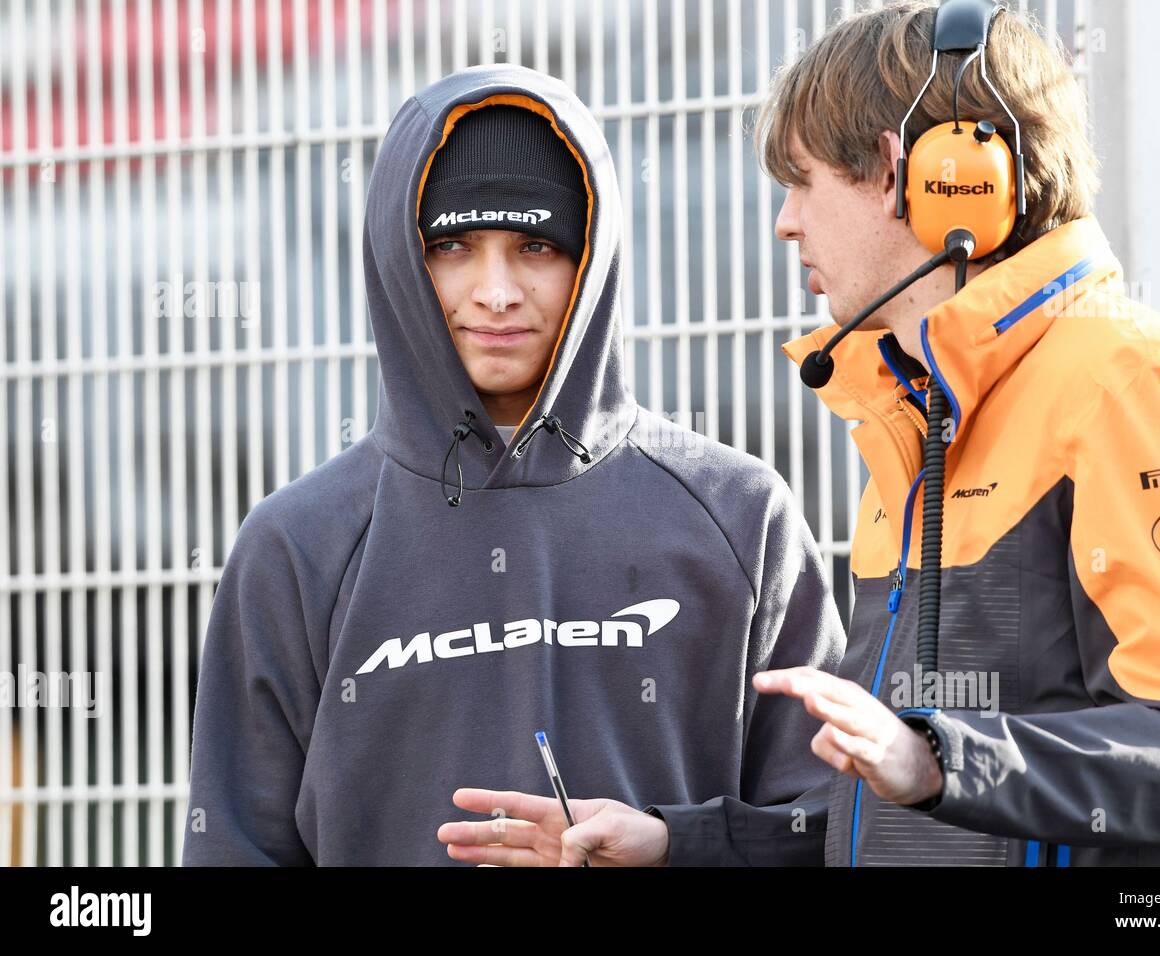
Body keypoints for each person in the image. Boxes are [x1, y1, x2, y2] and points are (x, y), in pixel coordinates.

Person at [442, 0, 1160, 867]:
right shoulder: (916, 422)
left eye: (803, 180)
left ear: (908, 174)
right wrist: (674, 843)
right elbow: (888, 818)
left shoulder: (1132, 387)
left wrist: (935, 759)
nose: (786, 221)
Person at [181, 63, 845, 866]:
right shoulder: (298, 544)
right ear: (401, 258)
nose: (495, 292)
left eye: (536, 245)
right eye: (453, 246)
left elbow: (830, 833)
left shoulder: (740, 516)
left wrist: (673, 847)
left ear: (590, 260)